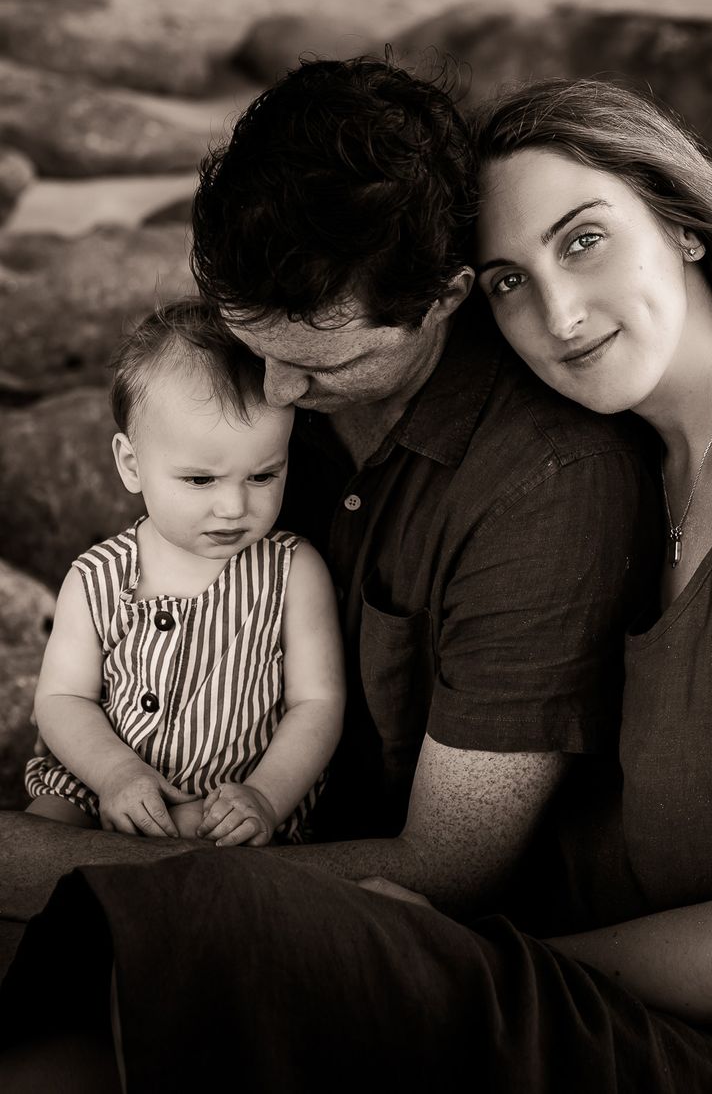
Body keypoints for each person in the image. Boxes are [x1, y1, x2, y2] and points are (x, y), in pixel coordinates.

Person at [3, 75, 712, 1093]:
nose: (558, 313)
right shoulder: (652, 444)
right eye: (510, 278)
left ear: (686, 224)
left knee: (232, 936)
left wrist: (473, 965)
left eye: (584, 240)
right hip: (606, 985)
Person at [0, 57, 660, 941]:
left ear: (444, 300)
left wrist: (41, 868)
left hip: (398, 936)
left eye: (321, 363)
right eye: (250, 342)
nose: (271, 392)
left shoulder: (545, 484)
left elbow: (456, 864)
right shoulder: (256, 365)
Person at [24, 299, 345, 848]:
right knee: (32, 844)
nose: (233, 507)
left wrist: (266, 795)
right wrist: (115, 776)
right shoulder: (96, 577)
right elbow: (61, 700)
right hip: (96, 786)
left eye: (264, 475)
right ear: (132, 465)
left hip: (233, 801)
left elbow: (316, 703)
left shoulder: (293, 571)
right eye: (200, 480)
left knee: (216, 882)